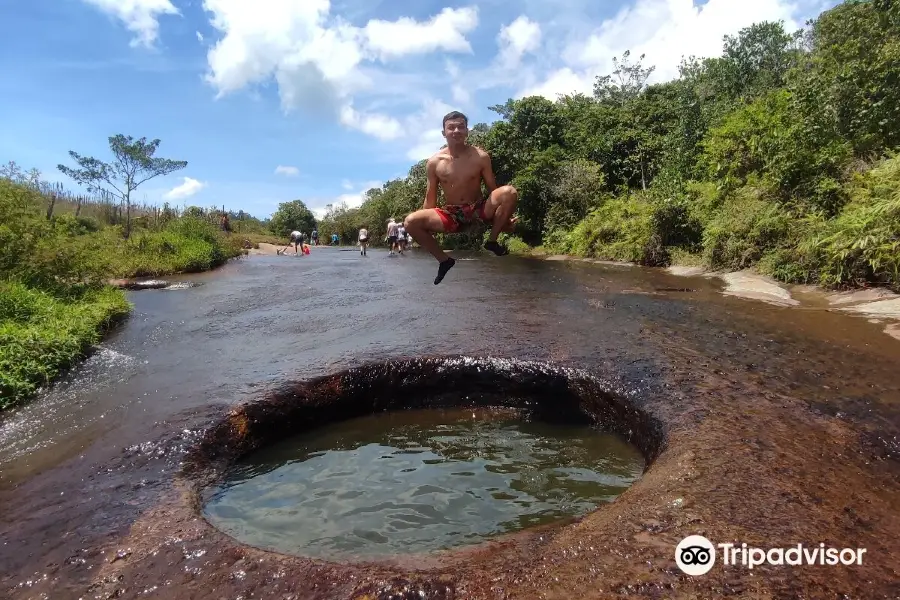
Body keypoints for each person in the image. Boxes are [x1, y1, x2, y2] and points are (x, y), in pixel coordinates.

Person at [403, 110, 519, 285]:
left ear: (467, 131)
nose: (456, 130)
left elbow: (493, 190)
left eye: (461, 126)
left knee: (509, 192)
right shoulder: (434, 162)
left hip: (479, 209)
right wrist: (423, 227)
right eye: (451, 127)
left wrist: (503, 219)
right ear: (444, 133)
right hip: (451, 214)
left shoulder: (480, 156)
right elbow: (430, 198)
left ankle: (492, 241)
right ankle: (444, 260)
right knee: (410, 221)